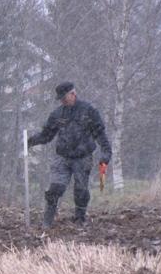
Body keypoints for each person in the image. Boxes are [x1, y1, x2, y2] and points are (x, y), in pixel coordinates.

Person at [28, 81, 112, 227]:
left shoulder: (89, 110)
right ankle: (47, 221)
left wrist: (106, 152)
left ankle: (79, 219)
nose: (62, 101)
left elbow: (100, 133)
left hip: (82, 158)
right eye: (60, 98)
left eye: (64, 97)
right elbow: (47, 135)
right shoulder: (57, 114)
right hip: (62, 158)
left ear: (73, 94)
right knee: (55, 189)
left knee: (81, 190)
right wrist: (30, 141)